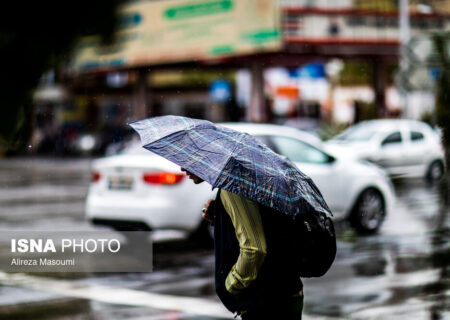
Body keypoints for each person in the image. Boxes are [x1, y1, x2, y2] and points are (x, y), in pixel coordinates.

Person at [181, 168, 303, 320]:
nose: (182, 168)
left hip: (266, 301)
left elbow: (254, 249)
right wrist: (222, 215)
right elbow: (265, 225)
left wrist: (231, 285)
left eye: (187, 162)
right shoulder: (251, 177)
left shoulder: (233, 188)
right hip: (284, 290)